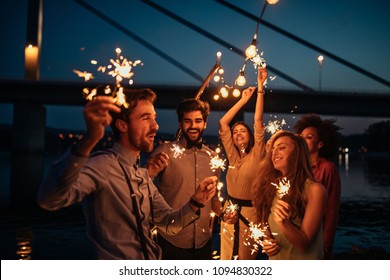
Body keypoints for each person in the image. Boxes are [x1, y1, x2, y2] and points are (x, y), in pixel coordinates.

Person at [37, 88, 217, 260]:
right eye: (146, 118)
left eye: (154, 118)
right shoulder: (103, 165)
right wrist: (89, 139)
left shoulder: (142, 176)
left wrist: (196, 201)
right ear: (123, 125)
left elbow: (170, 224)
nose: (156, 126)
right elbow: (49, 199)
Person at [146, 98, 229, 260]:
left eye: (198, 121)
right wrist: (149, 172)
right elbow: (142, 186)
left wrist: (224, 214)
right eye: (187, 121)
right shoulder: (164, 152)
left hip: (204, 243)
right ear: (180, 123)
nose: (193, 126)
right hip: (170, 241)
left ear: (204, 123)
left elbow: (212, 200)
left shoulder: (213, 158)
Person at [253, 130, 327, 260]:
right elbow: (263, 220)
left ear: (297, 153)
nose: (274, 153)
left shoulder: (314, 190)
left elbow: (304, 244)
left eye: (281, 148)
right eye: (273, 149)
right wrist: (267, 240)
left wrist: (284, 223)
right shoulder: (271, 187)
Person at [218, 67, 267, 260]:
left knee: (245, 264)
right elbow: (223, 123)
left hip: (250, 216)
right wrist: (242, 100)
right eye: (235, 131)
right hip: (229, 213)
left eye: (242, 131)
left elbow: (257, 120)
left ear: (250, 136)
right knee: (226, 259)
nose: (237, 133)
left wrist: (260, 87)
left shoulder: (257, 153)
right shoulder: (232, 155)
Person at [294, 113, 342, 259]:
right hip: (293, 235)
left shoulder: (327, 169)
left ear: (320, 144)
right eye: (301, 136)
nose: (303, 140)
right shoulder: (294, 167)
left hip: (315, 237)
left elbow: (331, 211)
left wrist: (326, 246)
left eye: (309, 137)